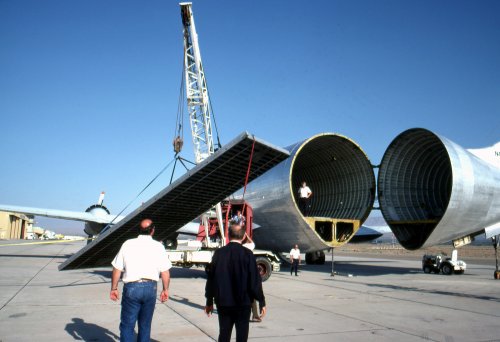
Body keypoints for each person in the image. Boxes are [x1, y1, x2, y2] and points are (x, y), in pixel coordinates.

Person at [110, 218, 172, 342]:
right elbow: (165, 272)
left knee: (127, 325)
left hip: (132, 288)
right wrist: (165, 290)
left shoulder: (128, 244)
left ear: (138, 230)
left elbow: (117, 269)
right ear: (152, 231)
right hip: (150, 288)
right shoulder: (158, 246)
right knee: (145, 326)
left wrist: (114, 288)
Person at [205, 223, 266, 342]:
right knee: (242, 336)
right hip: (243, 304)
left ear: (228, 235)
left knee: (224, 335)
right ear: (243, 237)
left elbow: (211, 279)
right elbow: (254, 282)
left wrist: (209, 301)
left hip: (223, 303)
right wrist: (261, 301)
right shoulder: (248, 254)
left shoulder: (219, 253)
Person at [241, 232, 261, 322]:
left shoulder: (240, 247)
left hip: (241, 275)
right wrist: (246, 235)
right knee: (251, 296)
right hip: (248, 274)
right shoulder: (249, 247)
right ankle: (255, 315)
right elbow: (252, 242)